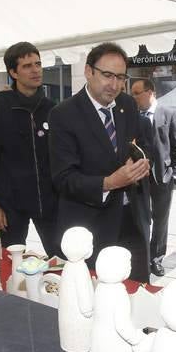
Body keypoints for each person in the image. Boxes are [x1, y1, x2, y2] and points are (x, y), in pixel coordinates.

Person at [49, 42, 153, 282]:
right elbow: (63, 179)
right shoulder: (64, 115)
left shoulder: (127, 104)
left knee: (137, 291)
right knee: (97, 299)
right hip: (92, 228)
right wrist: (108, 183)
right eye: (107, 75)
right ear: (88, 71)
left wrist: (143, 163)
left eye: (120, 77)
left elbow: (144, 146)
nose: (114, 85)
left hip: (133, 221)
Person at [0, 42, 59, 255]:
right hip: (9, 207)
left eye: (38, 64)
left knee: (60, 261)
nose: (35, 70)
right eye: (27, 66)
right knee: (14, 265)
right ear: (13, 72)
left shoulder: (52, 109)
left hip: (49, 203)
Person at [130, 78, 176, 277]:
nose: (133, 97)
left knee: (161, 221)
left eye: (137, 92)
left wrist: (174, 175)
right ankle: (142, 256)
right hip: (140, 178)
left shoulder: (169, 114)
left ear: (150, 92)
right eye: (132, 93)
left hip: (163, 177)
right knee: (142, 219)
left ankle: (156, 259)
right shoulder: (132, 117)